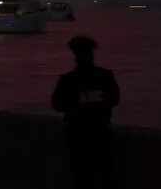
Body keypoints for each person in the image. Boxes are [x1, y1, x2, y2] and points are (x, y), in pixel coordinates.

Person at [51, 36, 119, 188]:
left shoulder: (68, 80)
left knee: (83, 176)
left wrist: (76, 103)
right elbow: (113, 100)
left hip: (79, 133)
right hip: (98, 132)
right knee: (104, 175)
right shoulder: (105, 77)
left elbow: (57, 104)